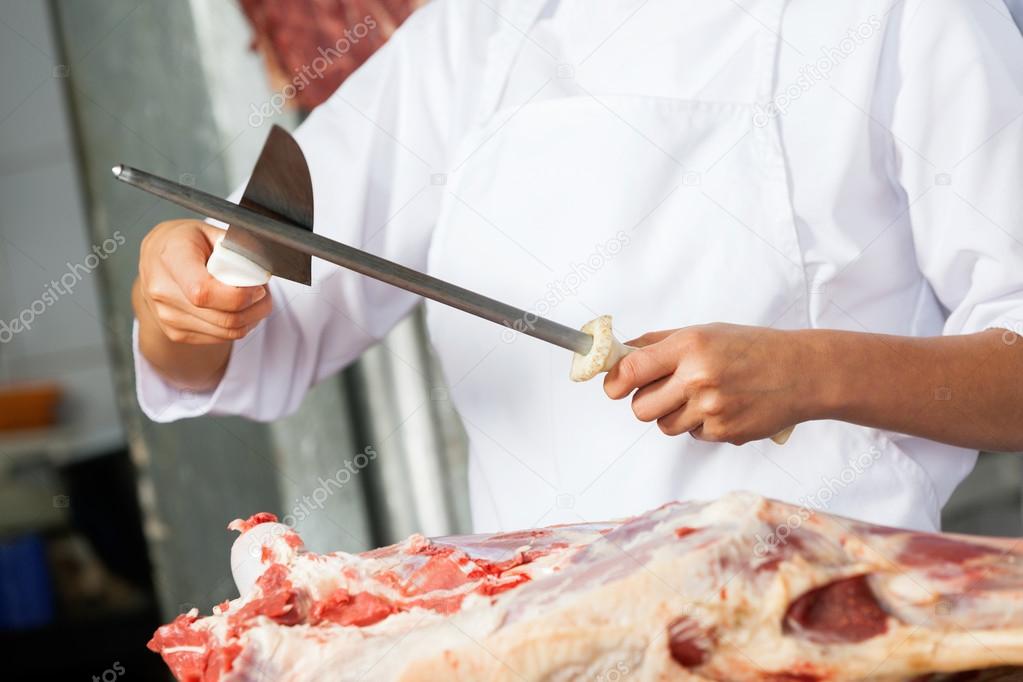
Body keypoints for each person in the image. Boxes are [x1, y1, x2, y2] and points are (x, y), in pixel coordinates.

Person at [132, 0, 1023, 533]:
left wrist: (814, 372)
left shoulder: (907, 14)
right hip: (545, 634)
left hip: (827, 621)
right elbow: (250, 337)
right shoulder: (478, 34)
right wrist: (176, 298)